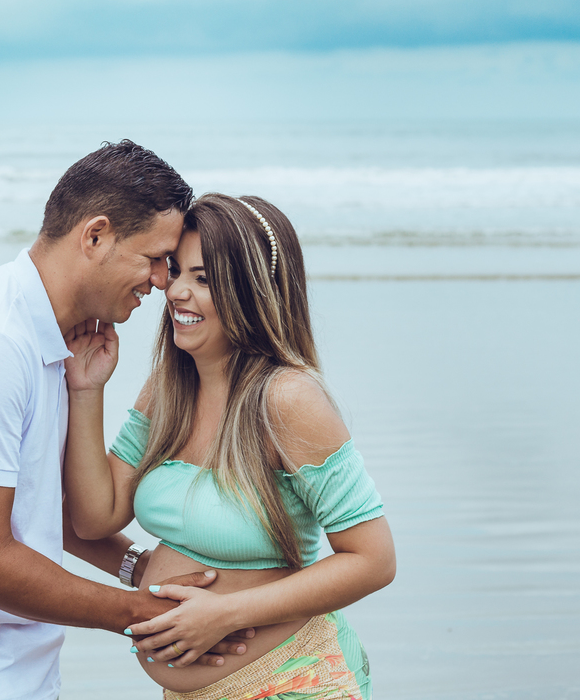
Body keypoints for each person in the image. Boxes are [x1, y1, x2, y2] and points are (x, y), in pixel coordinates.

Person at [0, 143, 256, 700]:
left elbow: (41, 508)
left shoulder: (57, 338)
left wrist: (140, 570)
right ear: (94, 236)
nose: (164, 281)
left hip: (14, 673)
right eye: (155, 257)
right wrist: (140, 613)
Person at [63, 192, 397, 700]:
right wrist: (87, 391)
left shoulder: (287, 400)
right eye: (175, 271)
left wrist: (224, 614)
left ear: (251, 293)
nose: (175, 291)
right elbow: (92, 518)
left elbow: (373, 559)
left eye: (204, 279)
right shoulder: (167, 390)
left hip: (294, 680)